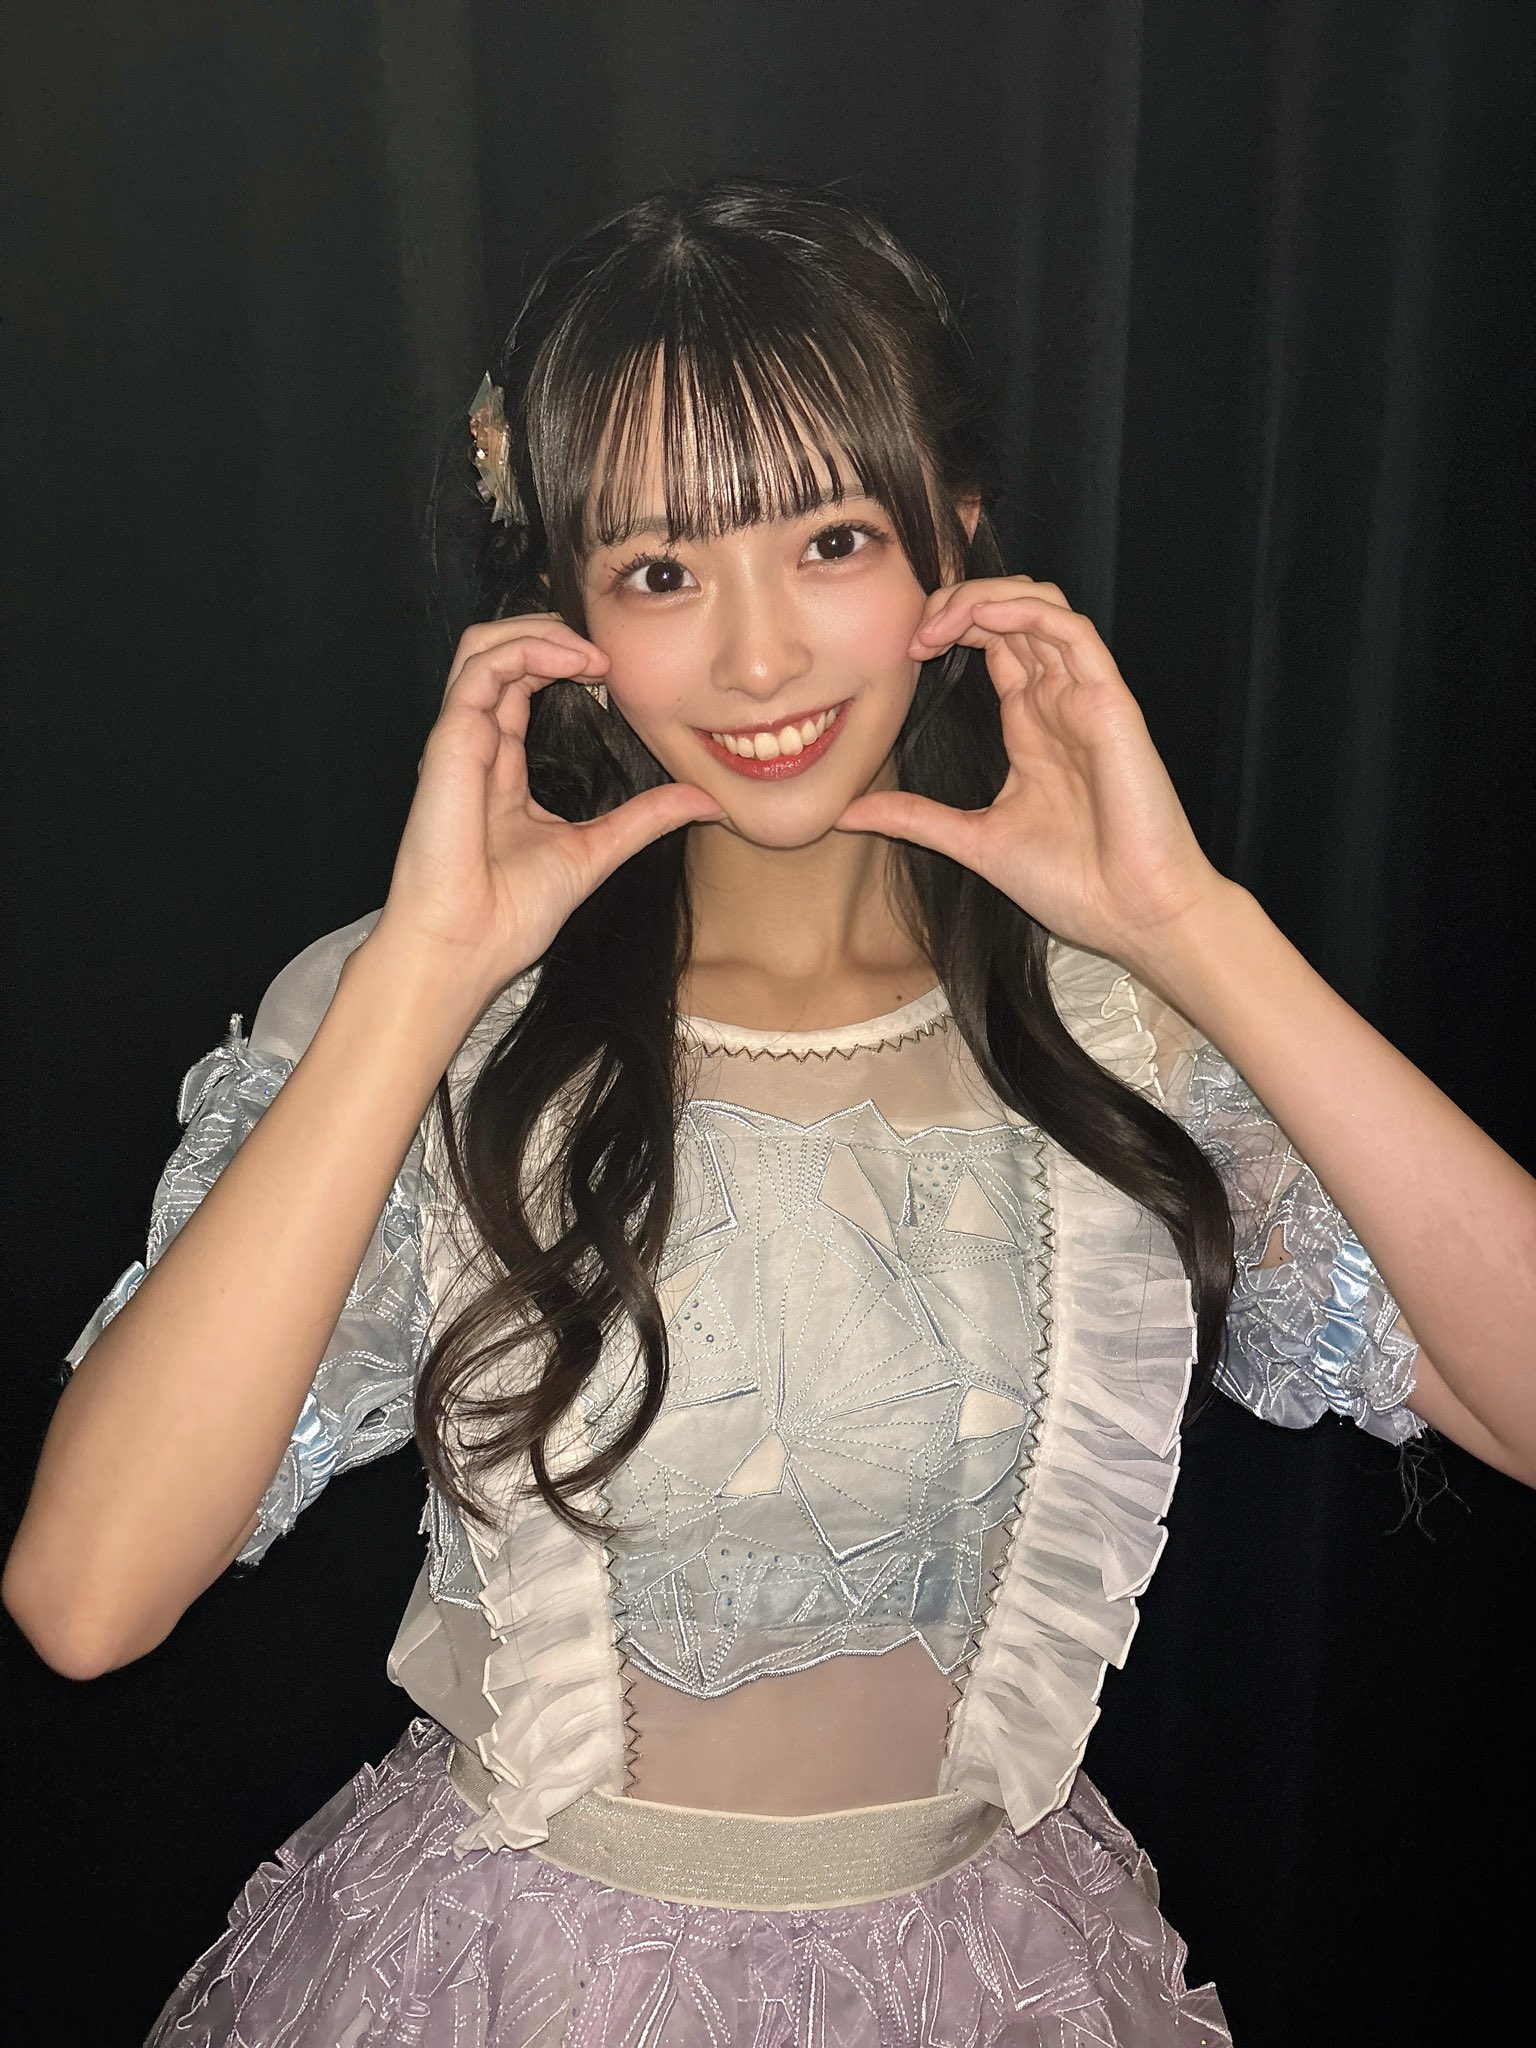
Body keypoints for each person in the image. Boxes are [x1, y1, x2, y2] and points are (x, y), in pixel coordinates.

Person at [8, 173, 1532, 2048]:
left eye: (829, 539)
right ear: (563, 607)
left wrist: (1193, 930)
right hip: (505, 1988)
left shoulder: (1112, 1022)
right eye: (662, 571)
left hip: (993, 1983)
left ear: (953, 534)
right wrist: (418, 984)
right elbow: (85, 1599)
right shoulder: (428, 1017)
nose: (756, 659)